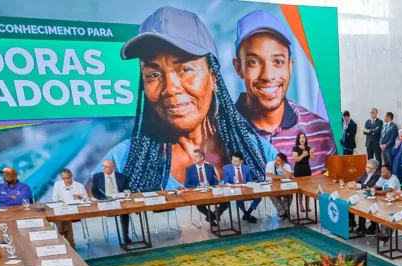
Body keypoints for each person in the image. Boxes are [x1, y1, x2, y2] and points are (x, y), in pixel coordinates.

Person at [104, 7, 275, 192]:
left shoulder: (260, 155)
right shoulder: (121, 162)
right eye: (153, 74)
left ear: (213, 77)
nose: (170, 89)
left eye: (184, 69)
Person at [232, 10, 335, 174]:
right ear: (238, 68)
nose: (268, 76)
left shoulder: (321, 131)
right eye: (254, 62)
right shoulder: (217, 133)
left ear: (290, 66)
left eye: (278, 61)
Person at [90, 159, 132, 244]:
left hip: (119, 201)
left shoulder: (122, 177)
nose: (104, 168)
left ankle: (125, 235)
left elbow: (127, 189)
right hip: (104, 201)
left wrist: (127, 192)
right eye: (103, 166)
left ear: (113, 167)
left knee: (125, 212)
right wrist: (102, 199)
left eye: (106, 167)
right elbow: (94, 191)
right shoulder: (97, 176)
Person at [183, 149, 226, 224]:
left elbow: (215, 181)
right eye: (193, 156)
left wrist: (213, 186)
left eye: (196, 156)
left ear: (202, 157)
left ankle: (215, 215)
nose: (194, 158)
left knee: (226, 202)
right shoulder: (189, 169)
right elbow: (186, 184)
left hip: (210, 191)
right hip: (198, 192)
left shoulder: (210, 167)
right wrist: (197, 186)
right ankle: (211, 217)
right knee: (200, 205)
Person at [223, 152, 259, 223]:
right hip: (233, 189)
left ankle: (248, 213)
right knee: (238, 196)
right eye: (233, 160)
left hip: (245, 189)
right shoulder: (226, 168)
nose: (233, 162)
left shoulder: (246, 168)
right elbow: (226, 183)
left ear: (241, 161)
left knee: (258, 196)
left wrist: (248, 185)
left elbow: (250, 181)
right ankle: (246, 214)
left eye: (236, 161)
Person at [266, 152, 294, 219]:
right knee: (273, 195)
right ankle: (283, 212)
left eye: (278, 160)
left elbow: (290, 176)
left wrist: (281, 168)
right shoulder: (270, 164)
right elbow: (270, 175)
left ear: (283, 161)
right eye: (276, 159)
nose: (276, 161)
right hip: (272, 185)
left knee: (289, 195)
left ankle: (283, 212)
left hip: (284, 185)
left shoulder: (287, 165)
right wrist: (283, 177)